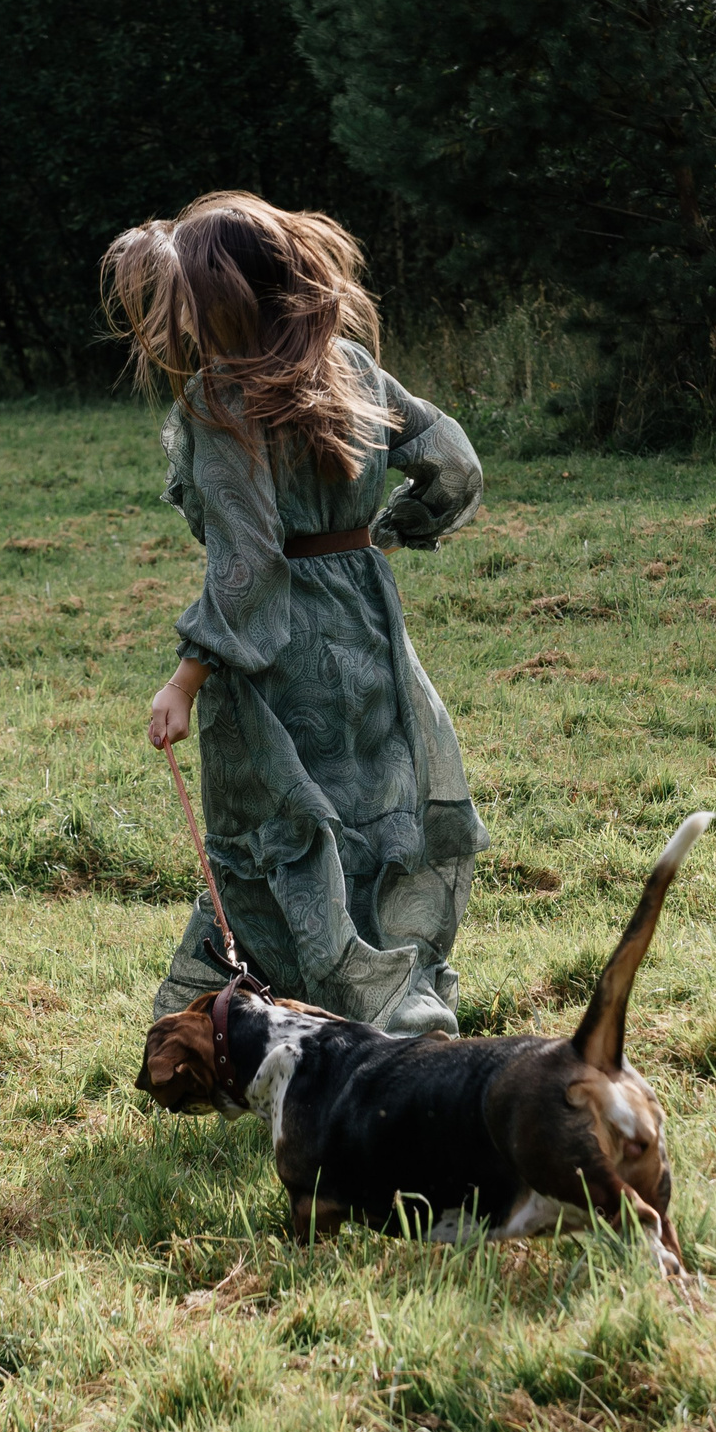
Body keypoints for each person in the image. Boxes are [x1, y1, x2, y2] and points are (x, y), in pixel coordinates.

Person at [105, 192, 487, 1038]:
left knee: (281, 837)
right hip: (371, 635)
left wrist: (185, 678)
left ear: (222, 298)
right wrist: (384, 532)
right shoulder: (351, 363)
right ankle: (389, 1012)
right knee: (369, 826)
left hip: (276, 662)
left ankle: (309, 1028)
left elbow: (248, 567)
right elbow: (453, 463)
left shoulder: (219, 400)